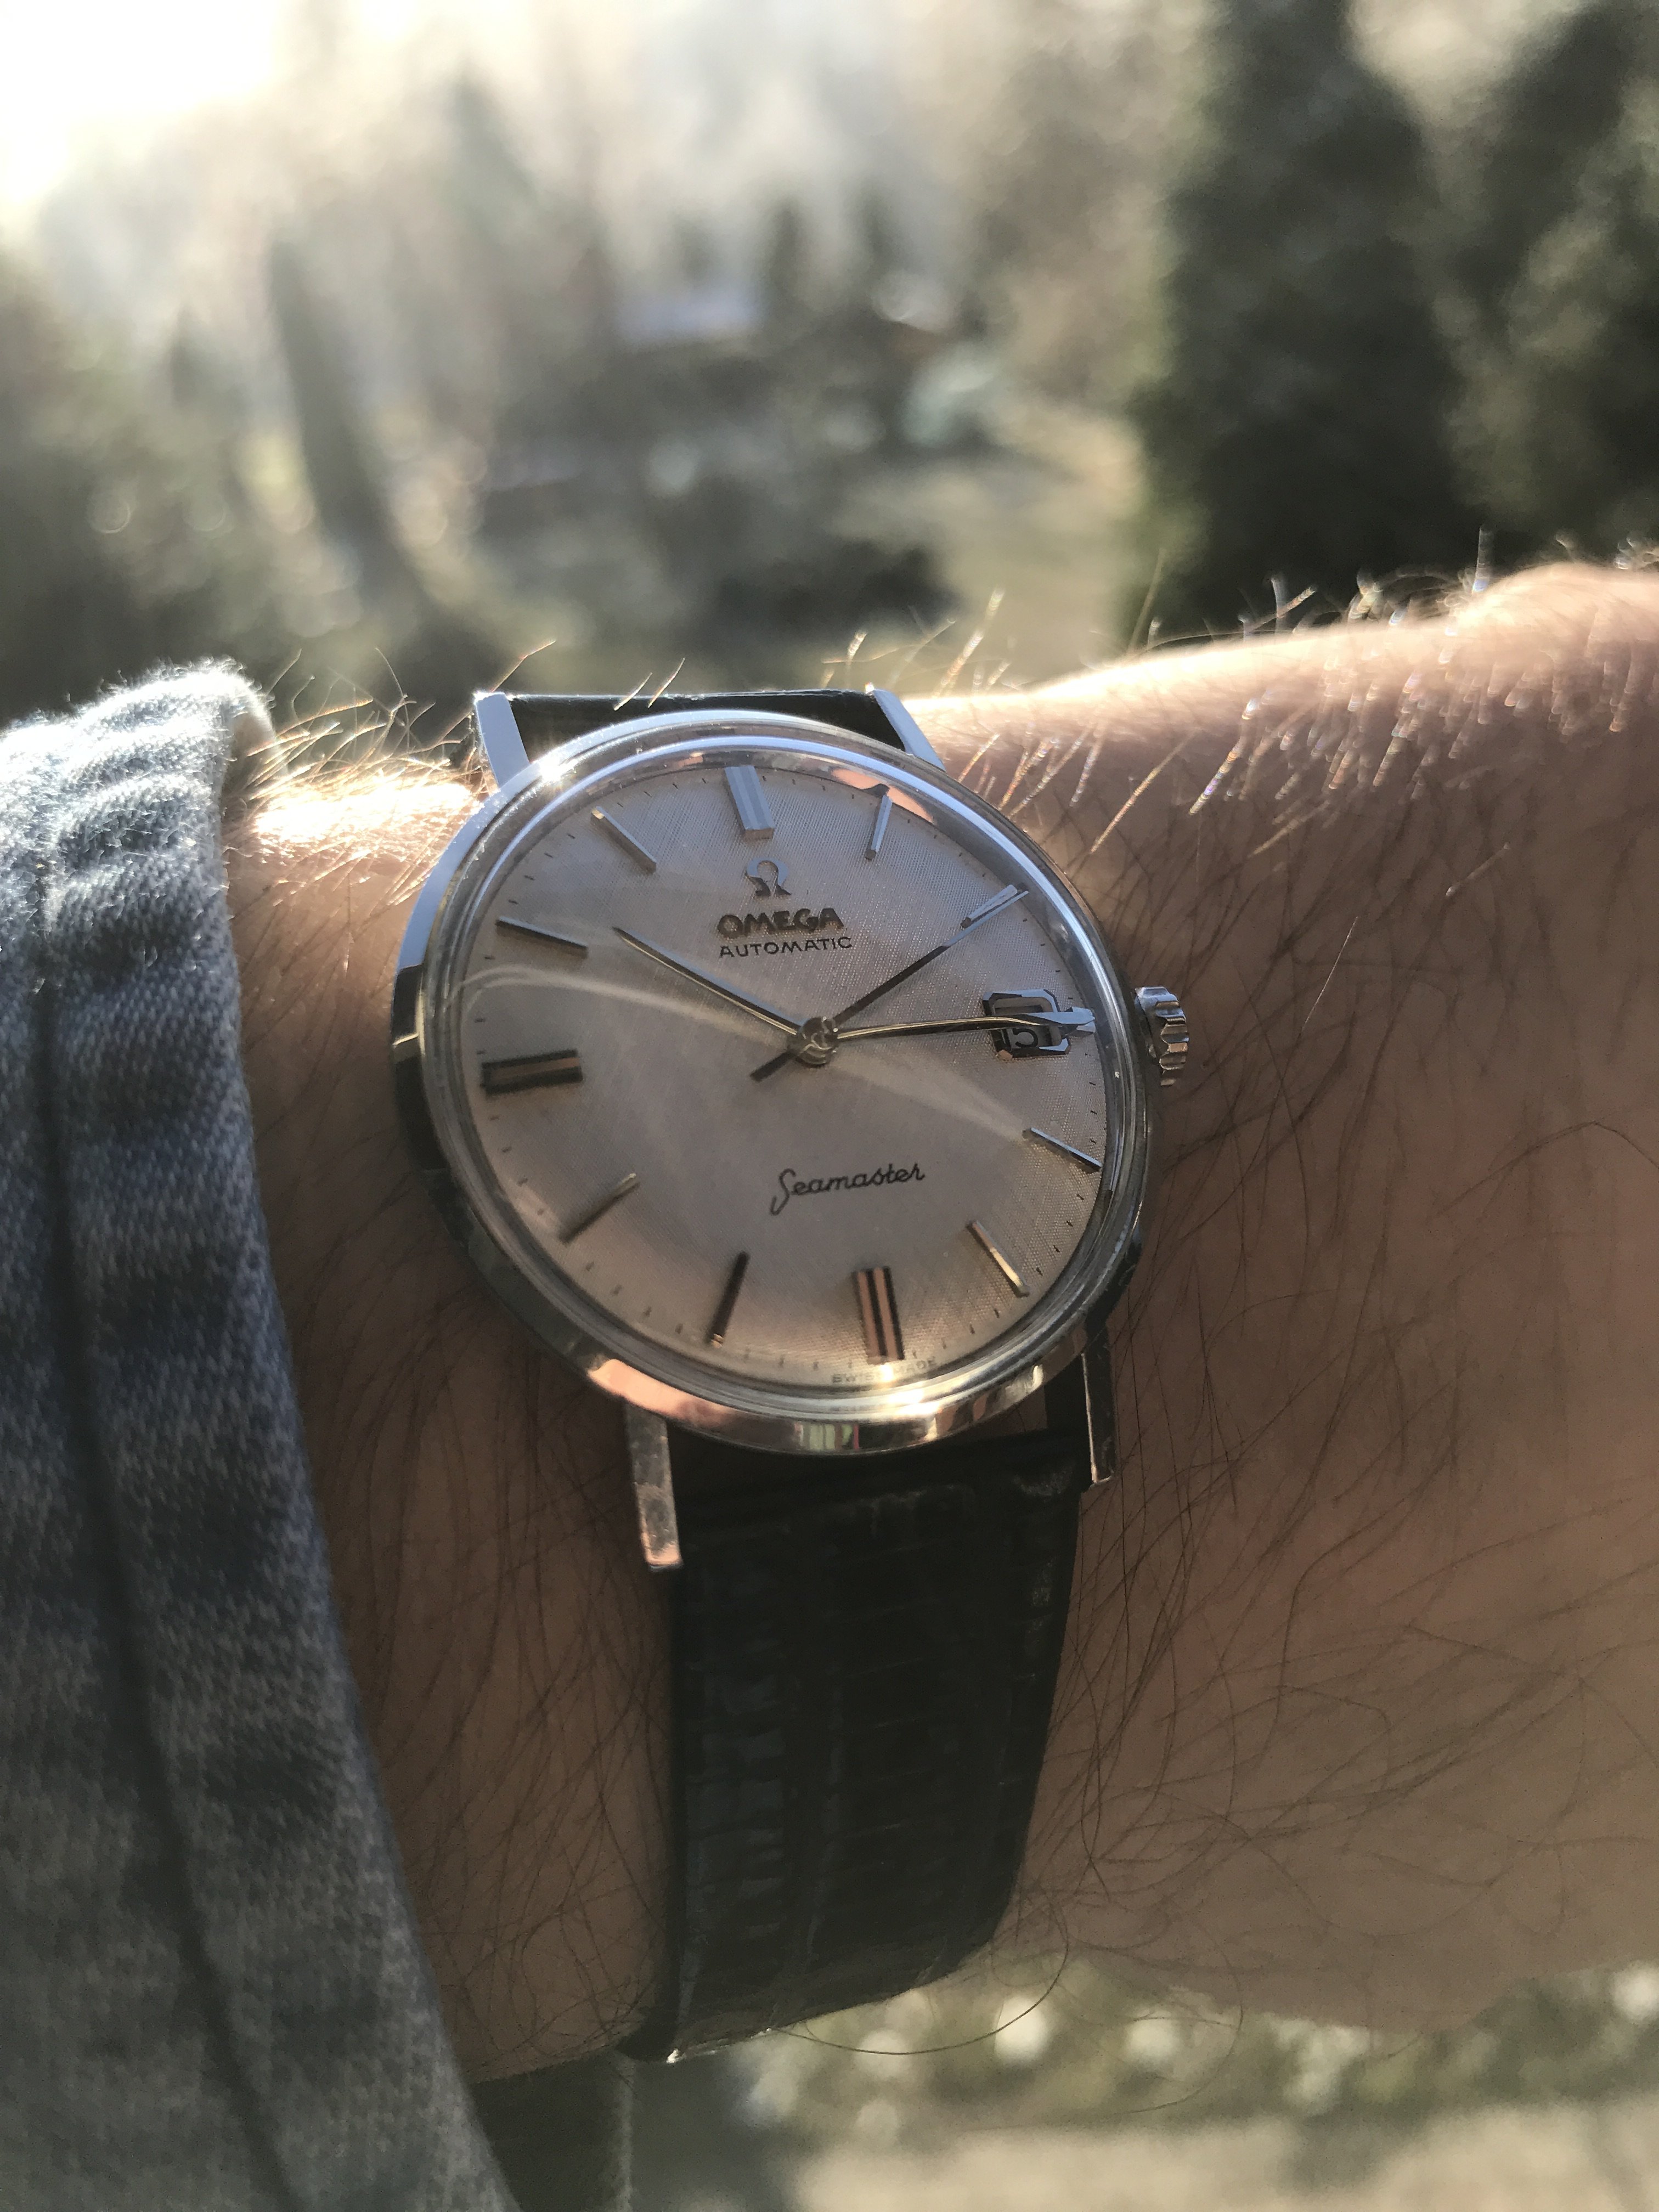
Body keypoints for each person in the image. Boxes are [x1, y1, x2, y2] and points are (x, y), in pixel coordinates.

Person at [6, 561, 1659, 2207]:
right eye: (791, 1045)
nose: (807, 1046)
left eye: (826, 1036)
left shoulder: (1005, 980)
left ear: (1140, 1035)